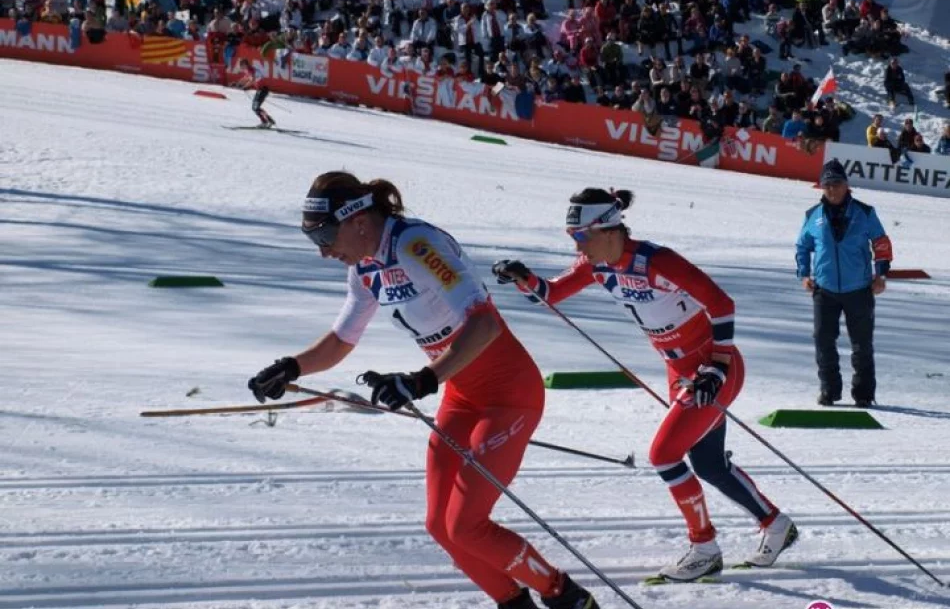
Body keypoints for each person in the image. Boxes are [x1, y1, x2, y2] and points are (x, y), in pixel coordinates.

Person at [247, 172, 600, 609]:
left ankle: (567, 597)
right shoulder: (365, 268)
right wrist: (291, 367)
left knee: (466, 525)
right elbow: (341, 340)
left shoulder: (416, 245)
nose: (323, 252)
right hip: (463, 395)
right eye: (313, 239)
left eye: (324, 235)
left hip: (509, 394)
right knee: (439, 525)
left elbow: (485, 324)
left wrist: (423, 380)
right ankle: (514, 603)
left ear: (357, 220)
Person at [493, 188, 798, 582]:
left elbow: (722, 305)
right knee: (707, 464)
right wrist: (523, 276)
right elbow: (551, 293)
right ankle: (776, 525)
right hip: (679, 372)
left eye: (581, 236)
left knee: (664, 454)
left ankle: (704, 547)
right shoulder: (597, 264)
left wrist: (717, 368)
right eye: (572, 237)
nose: (577, 245)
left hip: (712, 369)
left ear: (607, 228)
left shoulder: (656, 260)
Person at [795, 160, 893, 408]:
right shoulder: (812, 215)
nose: (832, 190)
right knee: (823, 340)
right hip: (825, 290)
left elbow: (881, 242)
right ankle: (829, 390)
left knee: (861, 344)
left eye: (836, 184)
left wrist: (880, 275)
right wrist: (804, 274)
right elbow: (803, 246)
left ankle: (863, 394)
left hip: (859, 289)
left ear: (846, 185)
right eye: (827, 185)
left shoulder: (864, 212)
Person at [236, 58, 276, 128]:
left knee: (256, 107)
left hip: (263, 90)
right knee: (255, 108)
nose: (240, 67)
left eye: (241, 65)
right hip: (260, 90)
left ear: (245, 64)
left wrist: (244, 87)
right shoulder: (249, 70)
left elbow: (252, 80)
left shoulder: (251, 70)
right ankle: (268, 121)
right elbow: (245, 78)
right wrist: (238, 83)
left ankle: (266, 122)